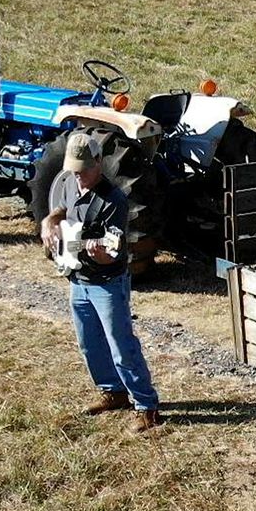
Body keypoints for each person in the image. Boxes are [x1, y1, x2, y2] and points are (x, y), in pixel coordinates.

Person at [39, 132, 161, 433]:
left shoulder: (113, 200)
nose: (78, 178)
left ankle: (147, 407)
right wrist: (50, 221)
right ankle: (113, 392)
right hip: (77, 280)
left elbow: (112, 251)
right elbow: (63, 209)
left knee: (121, 345)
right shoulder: (70, 182)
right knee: (89, 343)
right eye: (74, 172)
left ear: (98, 162)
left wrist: (100, 253)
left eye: (84, 171)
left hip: (107, 282)